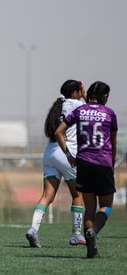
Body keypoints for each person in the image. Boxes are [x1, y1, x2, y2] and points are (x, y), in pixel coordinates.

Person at [55, 81, 117, 258]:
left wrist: (68, 154)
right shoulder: (110, 114)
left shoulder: (79, 111)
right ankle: (94, 231)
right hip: (103, 163)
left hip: (83, 163)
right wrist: (111, 165)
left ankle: (92, 248)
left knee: (89, 208)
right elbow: (113, 144)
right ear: (105, 96)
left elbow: (59, 132)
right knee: (105, 206)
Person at [26, 80, 87, 248]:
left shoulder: (58, 105)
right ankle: (76, 235)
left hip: (50, 152)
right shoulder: (78, 104)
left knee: (47, 196)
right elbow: (94, 110)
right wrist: (84, 92)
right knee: (77, 194)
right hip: (68, 152)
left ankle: (33, 229)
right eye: (79, 91)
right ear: (75, 92)